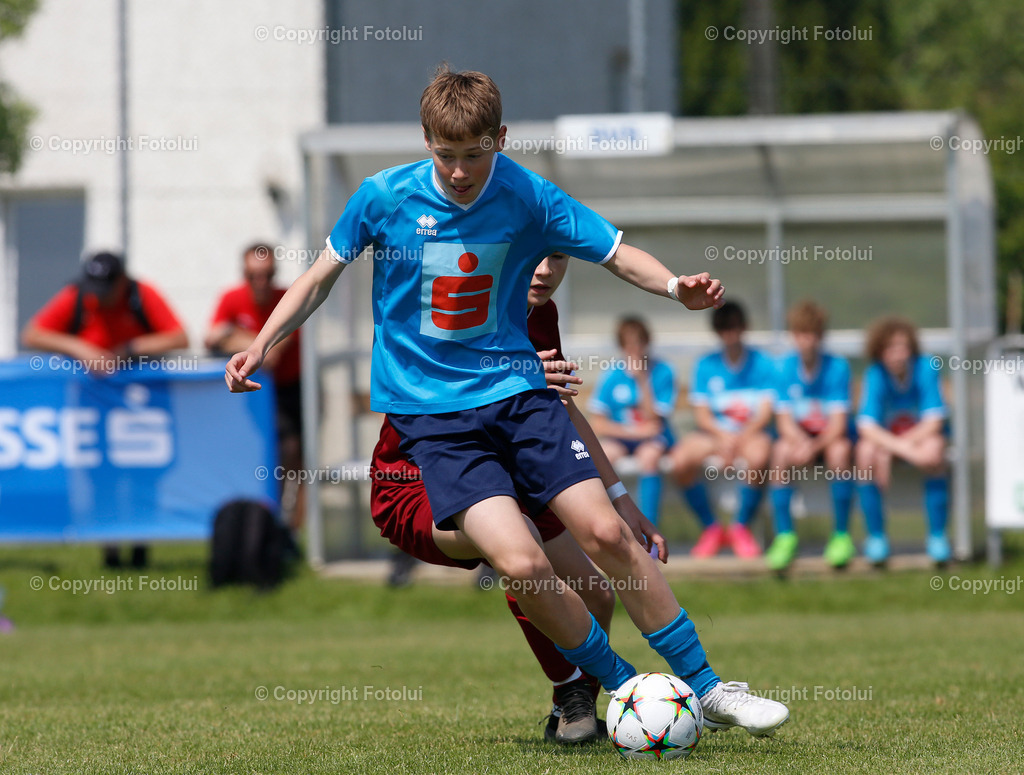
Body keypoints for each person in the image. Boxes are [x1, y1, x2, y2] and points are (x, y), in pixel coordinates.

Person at [225, 66, 789, 738]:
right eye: (446, 154)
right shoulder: (381, 198)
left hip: (519, 397)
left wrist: (674, 287)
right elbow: (318, 277)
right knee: (521, 563)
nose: (460, 172)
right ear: (426, 140)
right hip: (437, 422)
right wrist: (261, 343)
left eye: (475, 154)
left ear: (501, 138)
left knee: (606, 533)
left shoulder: (527, 194)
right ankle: (625, 688)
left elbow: (614, 252)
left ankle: (710, 686)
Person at [373, 252, 665, 743]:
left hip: (506, 479)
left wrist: (619, 497)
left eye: (556, 257)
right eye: (532, 258)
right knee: (521, 551)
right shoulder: (455, 304)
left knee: (597, 593)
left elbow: (561, 406)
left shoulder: (540, 314)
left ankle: (572, 704)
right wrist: (515, 372)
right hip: (417, 480)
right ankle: (597, 689)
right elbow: (434, 388)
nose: (545, 271)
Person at [21, 251, 189, 568]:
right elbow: (32, 333)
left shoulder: (143, 296)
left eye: (106, 288)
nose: (100, 296)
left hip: (143, 408)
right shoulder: (77, 297)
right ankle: (110, 552)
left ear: (122, 281)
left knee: (145, 476)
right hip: (96, 407)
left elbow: (179, 337)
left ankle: (141, 550)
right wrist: (80, 348)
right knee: (103, 479)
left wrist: (128, 350)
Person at [205, 243, 305, 529]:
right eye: (253, 276)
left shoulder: (288, 299)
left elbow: (271, 357)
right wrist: (257, 341)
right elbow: (210, 337)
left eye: (267, 275)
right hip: (247, 394)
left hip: (288, 390)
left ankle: (289, 528)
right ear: (244, 274)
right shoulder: (231, 298)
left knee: (293, 456)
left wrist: (234, 335)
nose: (260, 283)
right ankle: (257, 521)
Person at [667, 301, 775, 559]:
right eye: (724, 329)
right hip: (715, 436)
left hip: (750, 435)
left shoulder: (762, 363)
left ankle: (740, 528)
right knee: (679, 461)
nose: (730, 335)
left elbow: (765, 413)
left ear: (744, 328)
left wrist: (738, 440)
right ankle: (712, 528)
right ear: (717, 332)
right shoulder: (706, 365)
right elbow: (702, 416)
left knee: (759, 457)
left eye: (735, 328)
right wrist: (725, 439)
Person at [764, 301, 855, 571]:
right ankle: (785, 536)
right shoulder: (783, 367)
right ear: (794, 336)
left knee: (840, 451)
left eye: (813, 334)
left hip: (826, 440)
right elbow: (783, 421)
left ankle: (841, 536)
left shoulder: (838, 367)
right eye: (802, 334)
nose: (808, 341)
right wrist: (801, 443)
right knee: (780, 451)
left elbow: (838, 424)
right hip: (800, 441)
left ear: (821, 336)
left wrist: (813, 446)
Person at [855, 316, 950, 565]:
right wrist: (894, 449)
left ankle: (937, 537)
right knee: (864, 454)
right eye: (890, 348)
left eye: (903, 346)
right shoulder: (874, 375)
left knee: (934, 450)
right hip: (892, 445)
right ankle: (876, 538)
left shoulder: (926, 367)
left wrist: (899, 448)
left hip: (917, 442)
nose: (898, 354)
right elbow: (866, 426)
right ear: (879, 351)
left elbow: (934, 422)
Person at [588, 316, 676, 532]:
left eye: (639, 343)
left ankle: (649, 531)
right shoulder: (611, 374)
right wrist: (635, 432)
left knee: (650, 457)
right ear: (621, 346)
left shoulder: (663, 371)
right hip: (624, 439)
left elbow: (655, 421)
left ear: (647, 343)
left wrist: (642, 380)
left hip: (652, 441)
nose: (634, 350)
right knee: (601, 458)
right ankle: (602, 530)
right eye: (629, 344)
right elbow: (598, 424)